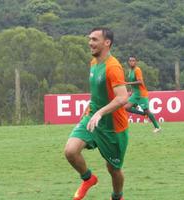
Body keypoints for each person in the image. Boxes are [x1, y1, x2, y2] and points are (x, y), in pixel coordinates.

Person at [64, 27, 129, 200]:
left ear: (107, 43)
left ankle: (117, 197)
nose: (90, 43)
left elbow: (122, 97)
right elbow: (98, 92)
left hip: (114, 128)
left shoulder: (113, 67)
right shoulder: (94, 63)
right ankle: (88, 179)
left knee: (113, 169)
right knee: (70, 151)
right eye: (89, 39)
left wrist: (100, 113)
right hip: (93, 118)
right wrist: (91, 108)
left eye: (94, 40)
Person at [124, 56, 161, 133]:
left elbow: (140, 82)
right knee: (126, 107)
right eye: (130, 61)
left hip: (141, 94)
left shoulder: (137, 70)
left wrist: (128, 83)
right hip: (135, 94)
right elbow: (132, 83)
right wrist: (131, 91)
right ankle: (143, 114)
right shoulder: (130, 70)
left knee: (147, 110)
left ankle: (157, 127)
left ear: (136, 62)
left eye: (133, 61)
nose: (132, 62)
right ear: (128, 62)